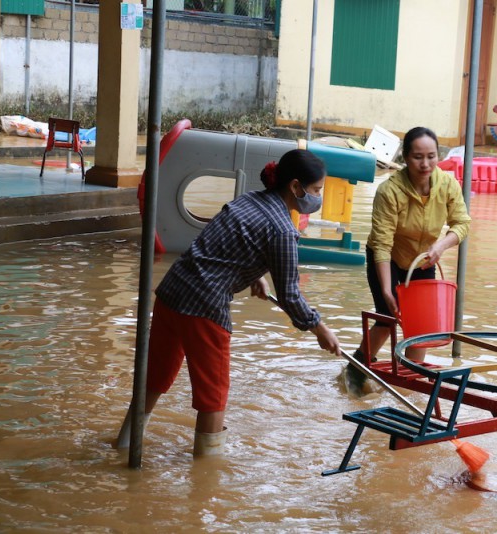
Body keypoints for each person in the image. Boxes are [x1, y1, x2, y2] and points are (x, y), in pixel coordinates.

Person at [116, 149, 340, 456]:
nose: (317, 198)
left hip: (173, 290)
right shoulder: (283, 231)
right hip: (205, 307)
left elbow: (220, 245)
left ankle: (124, 445)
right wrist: (320, 329)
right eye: (315, 191)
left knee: (155, 377)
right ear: (295, 187)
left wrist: (253, 275)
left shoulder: (248, 200)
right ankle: (206, 484)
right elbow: (289, 295)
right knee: (213, 395)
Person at [344, 127, 471, 395]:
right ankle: (357, 367)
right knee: (386, 317)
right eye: (417, 157)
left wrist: (440, 246)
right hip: (387, 257)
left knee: (421, 322)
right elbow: (381, 243)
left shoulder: (448, 184)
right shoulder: (390, 191)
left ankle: (412, 377)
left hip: (423, 259)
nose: (425, 164)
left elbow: (461, 224)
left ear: (438, 156)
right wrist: (388, 290)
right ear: (405, 158)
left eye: (431, 156)